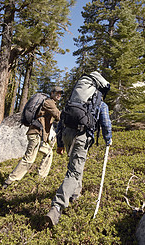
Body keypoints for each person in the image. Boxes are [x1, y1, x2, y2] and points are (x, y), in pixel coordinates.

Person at [45, 90, 112, 226]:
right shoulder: (100, 103)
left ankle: (75, 194)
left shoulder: (74, 100)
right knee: (74, 171)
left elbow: (61, 121)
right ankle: (57, 206)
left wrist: (60, 143)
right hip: (81, 137)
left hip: (67, 134)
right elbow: (105, 122)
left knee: (75, 166)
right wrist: (108, 138)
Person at [2, 86, 63, 189]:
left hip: (39, 134)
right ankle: (10, 181)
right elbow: (58, 115)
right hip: (36, 134)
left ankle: (40, 179)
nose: (59, 95)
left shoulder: (50, 102)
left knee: (48, 153)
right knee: (29, 158)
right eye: (57, 93)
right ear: (52, 93)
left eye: (60, 94)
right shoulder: (49, 102)